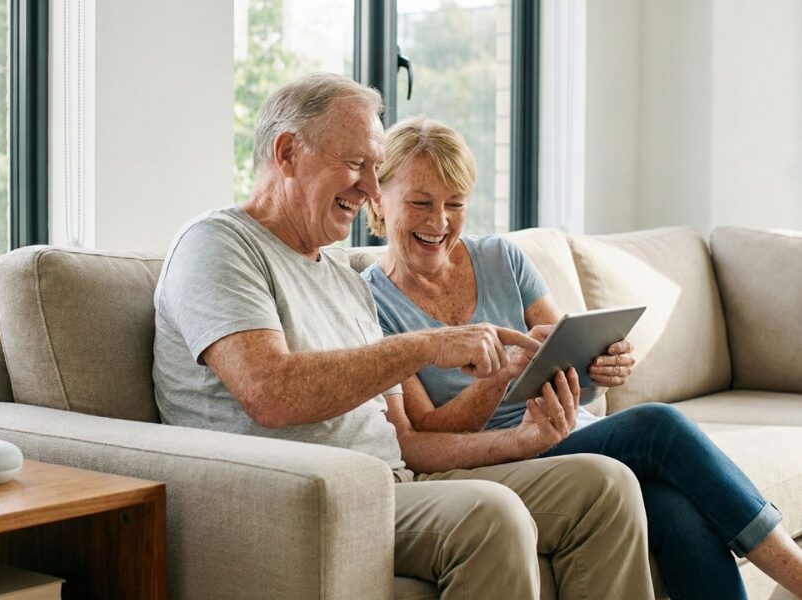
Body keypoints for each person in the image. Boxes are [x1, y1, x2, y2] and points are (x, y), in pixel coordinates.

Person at [153, 73, 657, 598]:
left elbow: (404, 442)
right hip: (301, 494)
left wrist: (522, 441)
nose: (371, 188)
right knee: (492, 515)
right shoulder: (218, 244)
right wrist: (427, 344)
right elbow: (270, 392)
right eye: (355, 164)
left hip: (393, 484)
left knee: (606, 485)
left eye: (375, 168)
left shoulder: (344, 281)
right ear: (286, 153)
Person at [360, 115, 802, 599]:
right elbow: (420, 438)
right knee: (657, 427)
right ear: (378, 200)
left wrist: (600, 368)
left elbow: (566, 357)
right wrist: (499, 384)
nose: (439, 222)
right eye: (420, 203)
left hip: (565, 432)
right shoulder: (370, 304)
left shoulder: (501, 258)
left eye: (456, 204)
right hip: (487, 459)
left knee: (668, 502)